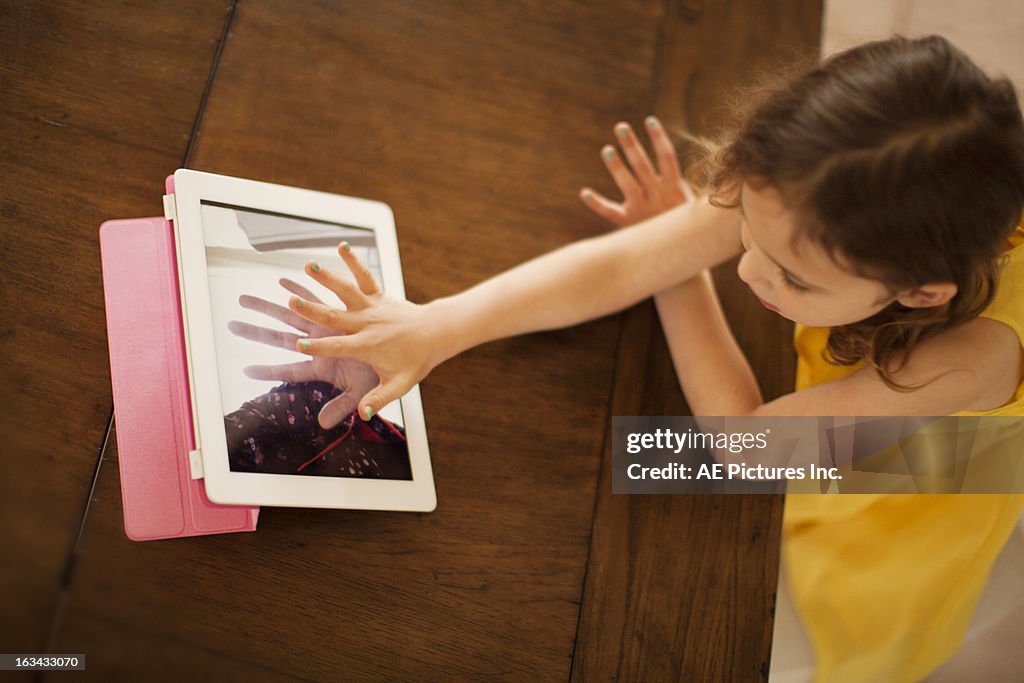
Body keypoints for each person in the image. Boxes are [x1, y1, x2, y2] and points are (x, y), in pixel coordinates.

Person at [292, 35, 1022, 680]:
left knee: (770, 624)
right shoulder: (818, 180)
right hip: (835, 390)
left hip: (902, 504)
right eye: (745, 233)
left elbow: (743, 449)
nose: (749, 272)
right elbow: (616, 267)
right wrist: (437, 325)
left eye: (792, 277)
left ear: (922, 294)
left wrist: (680, 272)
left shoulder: (969, 359)